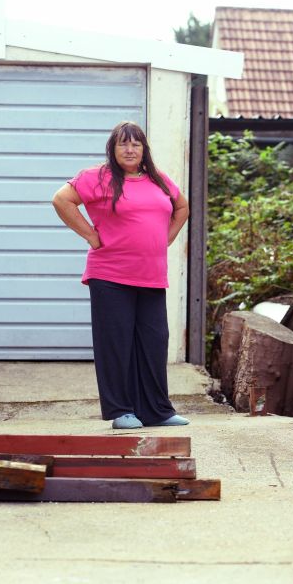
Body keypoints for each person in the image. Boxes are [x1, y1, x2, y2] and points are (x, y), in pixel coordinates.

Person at [52, 121, 190, 429]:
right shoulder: (96, 178)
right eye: (123, 144)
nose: (130, 149)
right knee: (116, 343)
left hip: (151, 276)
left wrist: (164, 238)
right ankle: (121, 411)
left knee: (154, 342)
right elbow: (61, 200)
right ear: (113, 150)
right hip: (110, 275)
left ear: (144, 150)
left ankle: (158, 410)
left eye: (136, 144)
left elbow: (182, 207)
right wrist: (90, 234)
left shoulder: (158, 180)